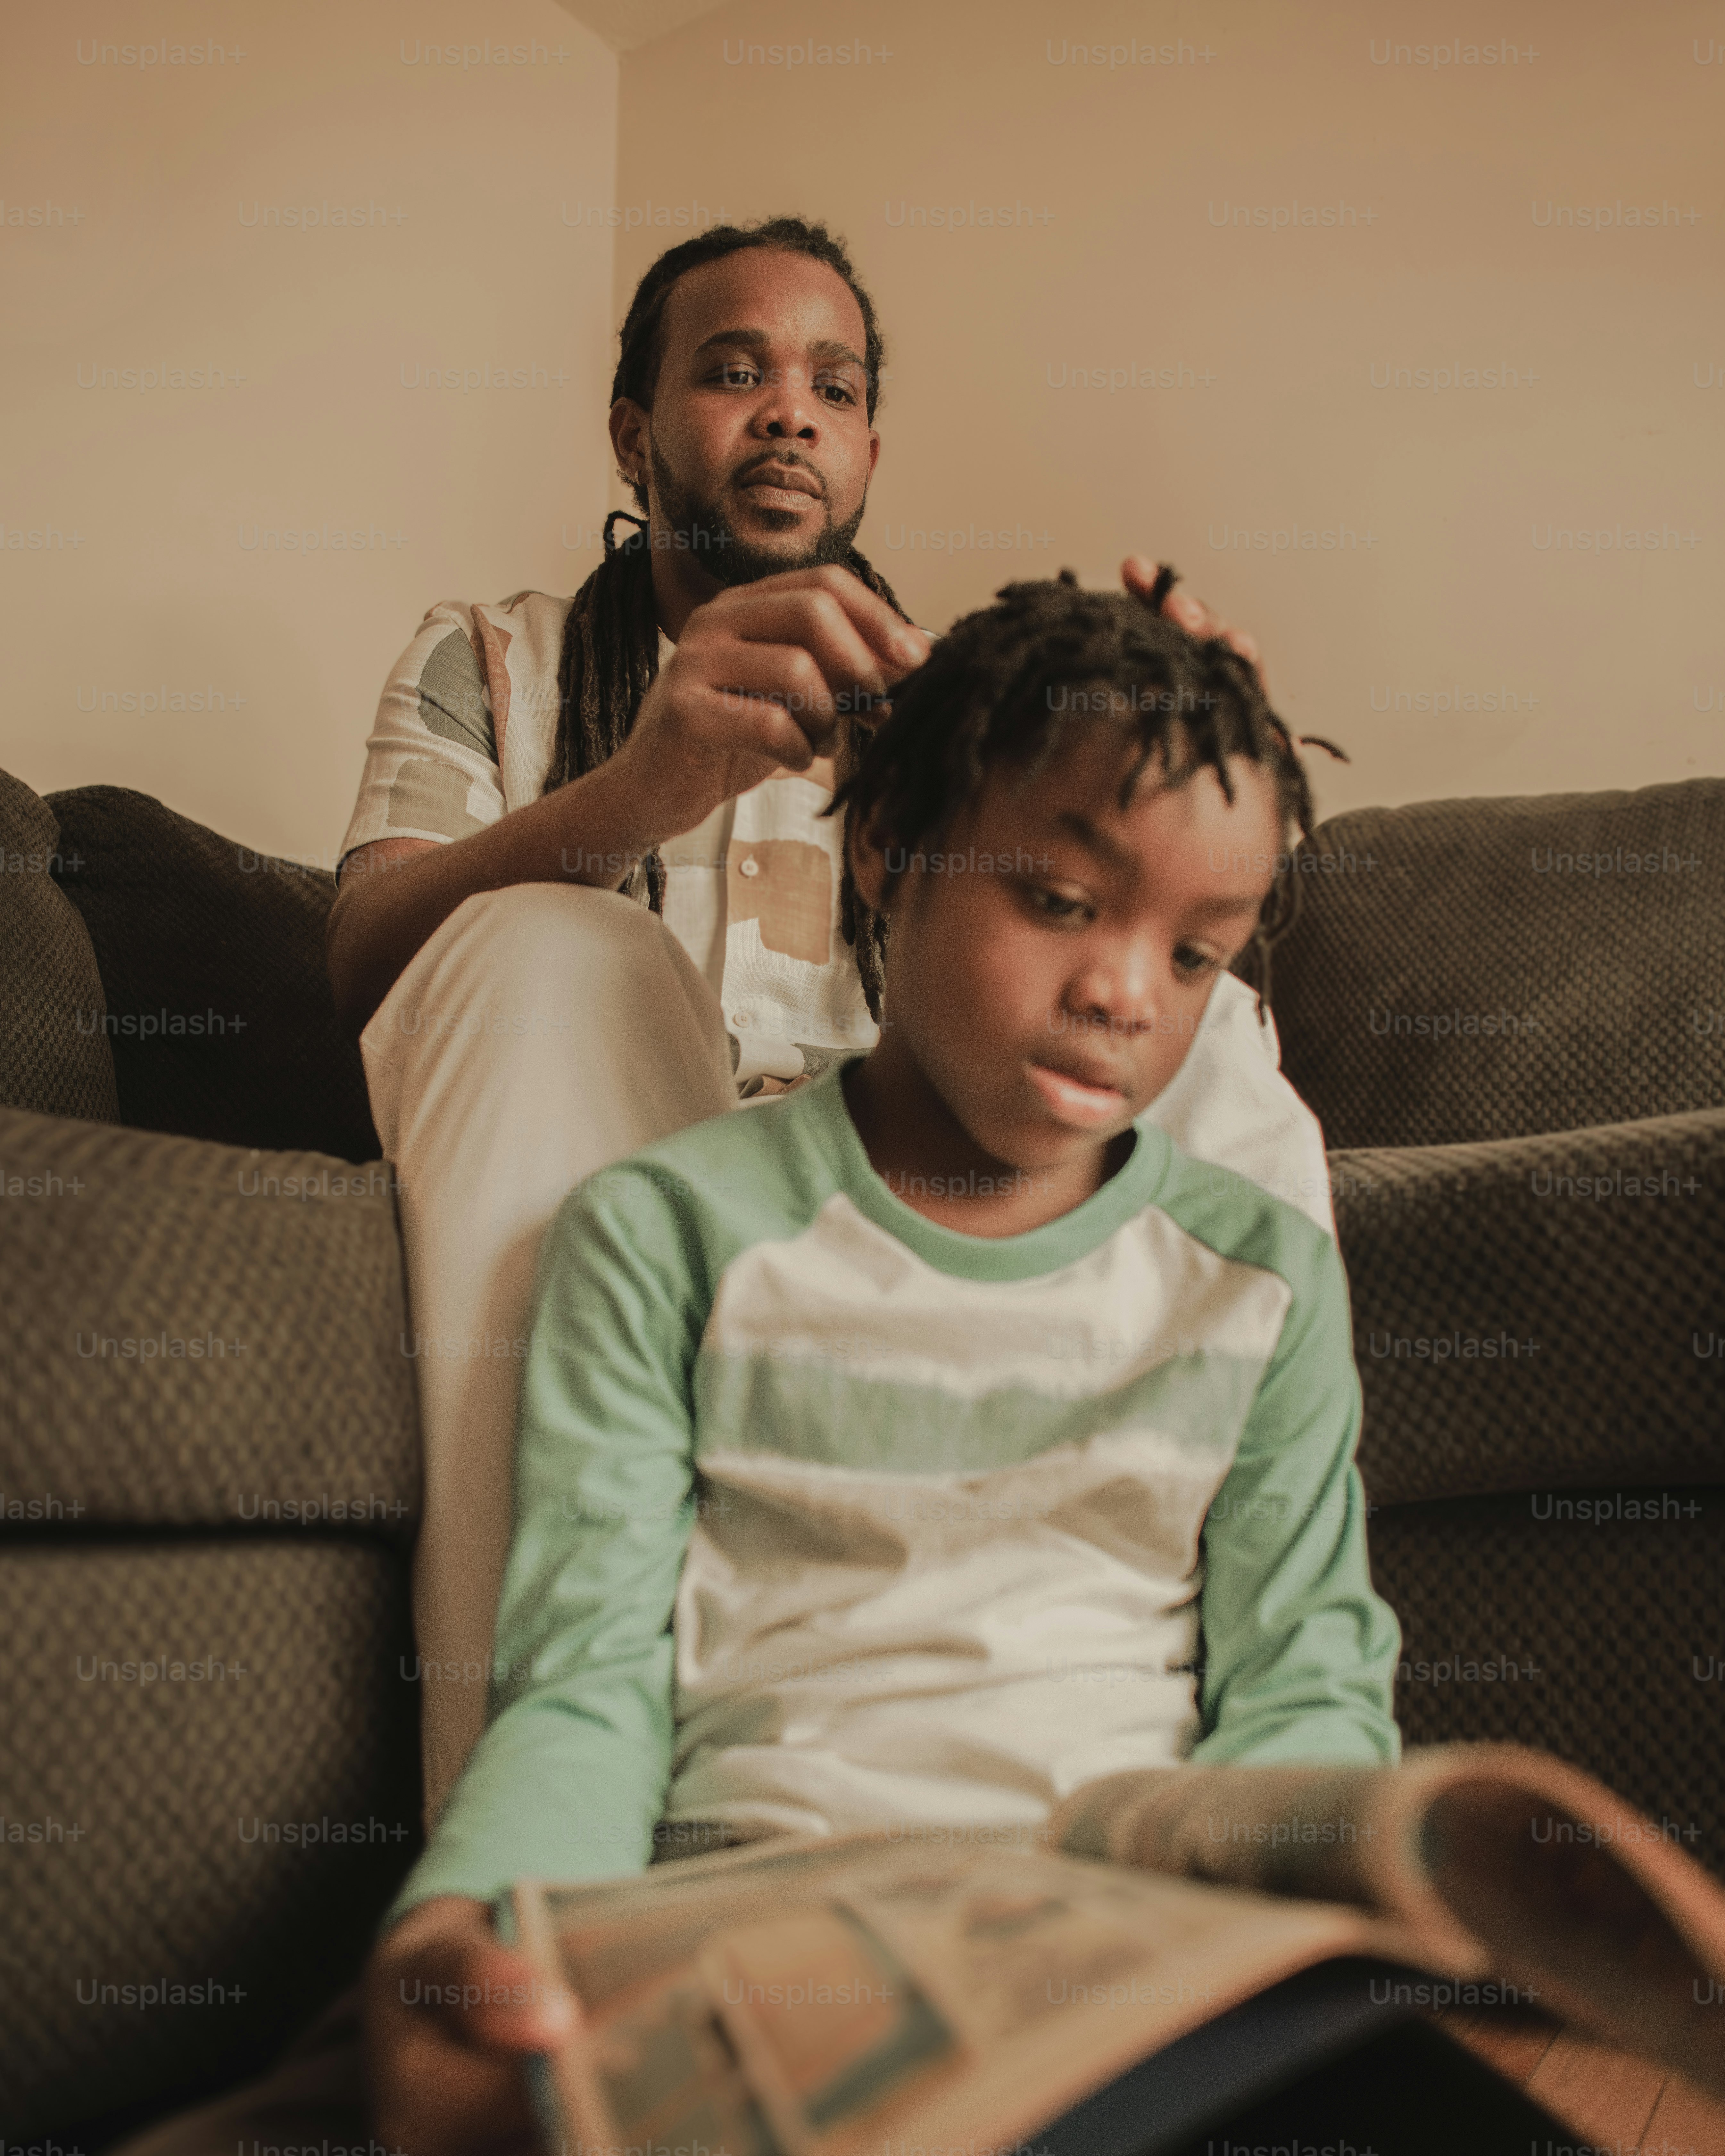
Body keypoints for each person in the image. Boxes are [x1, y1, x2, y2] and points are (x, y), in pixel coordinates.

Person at [363, 575, 1402, 2156]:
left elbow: (1303, 1688)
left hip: (1125, 1940)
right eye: (1059, 900)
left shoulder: (1257, 1275)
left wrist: (1352, 1882)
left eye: (1194, 953)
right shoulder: (660, 1236)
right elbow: (586, 1688)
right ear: (885, 851)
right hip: (764, 1921)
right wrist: (477, 1926)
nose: (1126, 994)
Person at [321, 215, 1311, 1828]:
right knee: (555, 952)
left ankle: (1226, 1834)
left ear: (864, 450)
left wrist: (1206, 772)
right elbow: (367, 958)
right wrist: (625, 796)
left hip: (895, 1216)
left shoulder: (962, 713)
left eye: (833, 387)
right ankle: (535, 1880)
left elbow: (1120, 981)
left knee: (1231, 1046)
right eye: (732, 371)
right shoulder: (494, 657)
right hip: (611, 1210)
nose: (790, 411)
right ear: (636, 433)